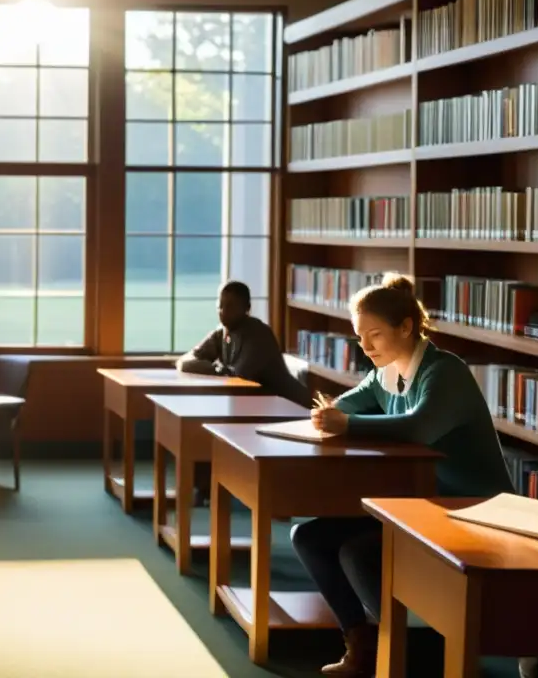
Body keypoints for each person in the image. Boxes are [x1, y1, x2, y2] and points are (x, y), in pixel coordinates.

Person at [290, 273, 514, 677]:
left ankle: (404, 654)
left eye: (373, 334)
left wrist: (348, 425)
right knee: (308, 537)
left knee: (356, 552)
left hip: (471, 508)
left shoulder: (445, 372)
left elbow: (418, 427)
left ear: (406, 327)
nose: (365, 346)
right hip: (422, 501)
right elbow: (346, 406)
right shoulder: (387, 373)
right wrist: (331, 416)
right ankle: (364, 646)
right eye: (360, 336)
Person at [175, 280, 313, 410]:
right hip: (259, 405)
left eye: (230, 306)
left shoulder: (258, 334)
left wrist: (213, 369)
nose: (223, 311)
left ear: (247, 308)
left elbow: (239, 377)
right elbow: (185, 362)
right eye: (220, 306)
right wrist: (217, 369)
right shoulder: (221, 333)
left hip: (290, 406)